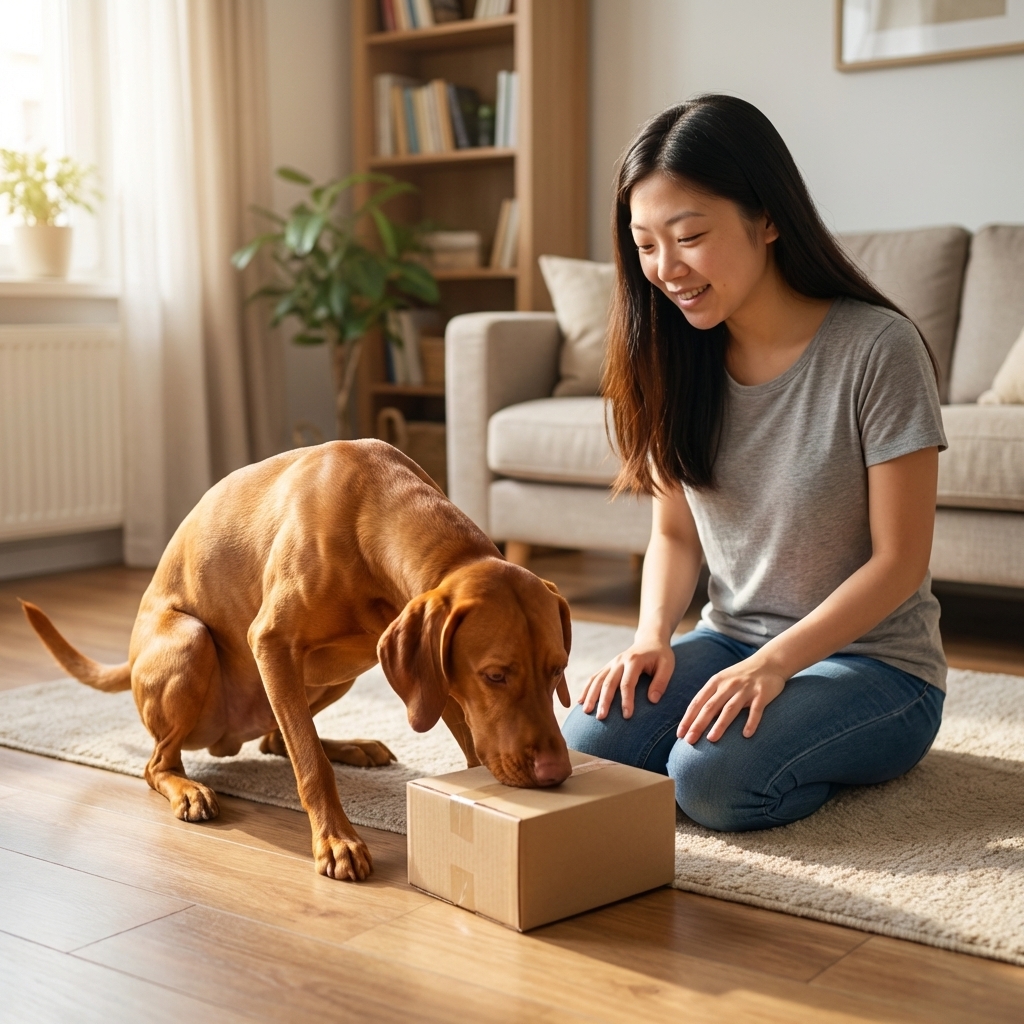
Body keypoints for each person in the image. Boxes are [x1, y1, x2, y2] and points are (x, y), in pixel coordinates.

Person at [561, 95, 947, 831]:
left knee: (711, 781)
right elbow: (675, 536)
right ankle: (763, 735)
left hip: (875, 665)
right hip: (731, 639)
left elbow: (900, 561)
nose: (666, 269)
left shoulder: (877, 349)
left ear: (767, 219)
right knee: (591, 746)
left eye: (690, 236)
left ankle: (803, 749)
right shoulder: (678, 355)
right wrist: (652, 639)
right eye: (645, 245)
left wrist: (776, 666)